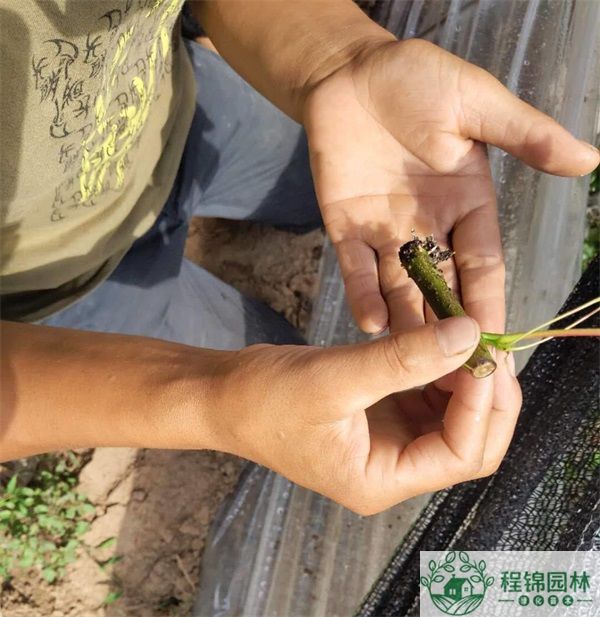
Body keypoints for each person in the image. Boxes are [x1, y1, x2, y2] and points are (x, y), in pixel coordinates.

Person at [0, 0, 597, 515]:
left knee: (322, 191)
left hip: (176, 110)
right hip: (51, 300)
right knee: (278, 357)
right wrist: (216, 400)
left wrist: (335, 60)